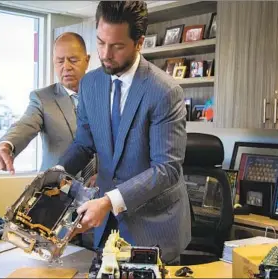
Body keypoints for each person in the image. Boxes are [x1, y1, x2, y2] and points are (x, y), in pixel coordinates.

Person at [54, 1, 191, 263]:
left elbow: (167, 169)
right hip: (107, 226)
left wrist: (107, 201)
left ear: (139, 43)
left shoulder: (164, 91)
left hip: (154, 225)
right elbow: (84, 143)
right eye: (101, 42)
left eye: (116, 46)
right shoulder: (90, 84)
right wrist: (56, 175)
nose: (105, 53)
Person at [0, 32, 91, 175]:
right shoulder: (42, 98)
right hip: (57, 190)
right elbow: (25, 125)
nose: (66, 66)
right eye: (60, 61)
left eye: (73, 60)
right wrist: (5, 145)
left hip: (102, 190)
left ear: (87, 60)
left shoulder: (106, 94)